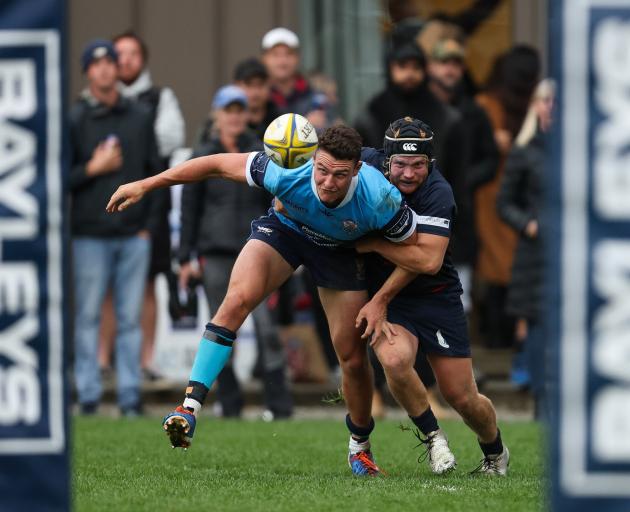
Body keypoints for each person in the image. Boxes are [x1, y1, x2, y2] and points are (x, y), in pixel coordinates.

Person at [107, 124, 418, 476]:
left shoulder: (380, 197)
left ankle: (359, 448)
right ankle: (188, 408)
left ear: (357, 171)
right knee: (235, 301)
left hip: (342, 253)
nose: (328, 182)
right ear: (312, 159)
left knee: (351, 359)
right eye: (322, 170)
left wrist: (382, 295)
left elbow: (418, 254)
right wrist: (145, 185)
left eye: (340, 175)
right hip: (287, 232)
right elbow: (212, 164)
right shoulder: (285, 171)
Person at [357, 117, 510, 475]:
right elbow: (322, 158)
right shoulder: (363, 165)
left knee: (462, 397)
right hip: (394, 301)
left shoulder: (439, 192)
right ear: (385, 161)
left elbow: (427, 260)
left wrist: (375, 245)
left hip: (436, 297)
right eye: (400, 165)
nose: (408, 174)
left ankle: (495, 452)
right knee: (393, 360)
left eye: (418, 166)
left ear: (431, 164)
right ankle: (434, 439)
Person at [179, 84, 292, 419]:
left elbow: (279, 202)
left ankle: (280, 405)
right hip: (214, 253)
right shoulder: (203, 154)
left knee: (266, 329)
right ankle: (230, 404)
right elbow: (189, 211)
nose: (235, 116)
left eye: (240, 110)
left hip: (258, 250)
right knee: (222, 329)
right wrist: (185, 257)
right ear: (217, 114)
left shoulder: (262, 154)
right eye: (228, 110)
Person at [69, 39, 164, 416]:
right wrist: (92, 169)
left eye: (111, 62)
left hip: (132, 234)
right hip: (88, 234)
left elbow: (157, 174)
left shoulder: (140, 116)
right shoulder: (75, 118)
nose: (106, 69)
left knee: (129, 318)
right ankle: (88, 394)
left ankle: (129, 396)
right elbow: (59, 176)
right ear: (88, 72)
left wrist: (148, 228)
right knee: (88, 315)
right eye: (97, 64)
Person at [113, 30, 186, 380]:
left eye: (131, 53)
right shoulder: (97, 100)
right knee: (105, 287)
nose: (124, 60)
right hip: (103, 202)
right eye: (118, 54)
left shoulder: (160, 97)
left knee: (147, 284)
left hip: (148, 203)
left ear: (143, 59)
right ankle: (104, 363)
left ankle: (145, 361)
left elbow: (170, 139)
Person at [474, 45, 540, 349]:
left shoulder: (538, 104)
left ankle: (516, 339)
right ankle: (496, 337)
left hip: (528, 192)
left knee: (519, 266)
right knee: (496, 265)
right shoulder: (486, 105)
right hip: (492, 193)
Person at [426, 37, 499, 313]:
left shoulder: (474, 111)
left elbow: (490, 158)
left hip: (460, 216)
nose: (450, 70)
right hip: (419, 210)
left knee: (458, 300)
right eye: (444, 62)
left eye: (456, 63)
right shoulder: (418, 107)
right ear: (431, 66)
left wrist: (462, 182)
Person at [497, 79, 554, 408]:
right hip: (535, 250)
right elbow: (504, 203)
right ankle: (539, 401)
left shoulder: (581, 149)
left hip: (570, 249)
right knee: (535, 323)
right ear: (535, 105)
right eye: (545, 100)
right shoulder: (523, 150)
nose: (552, 107)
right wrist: (528, 225)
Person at [261, 27, 317, 116]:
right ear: (264, 58)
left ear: (298, 57)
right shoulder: (255, 97)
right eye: (275, 54)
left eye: (289, 54)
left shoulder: (316, 97)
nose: (282, 61)